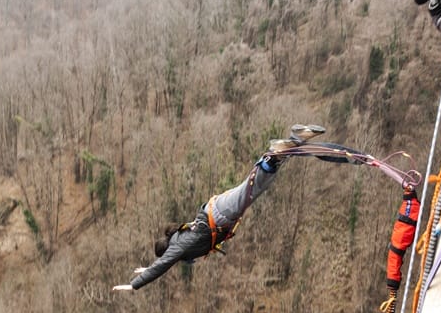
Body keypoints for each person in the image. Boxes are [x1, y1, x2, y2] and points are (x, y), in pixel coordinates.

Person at [112, 124, 326, 291]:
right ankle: (295, 141)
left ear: (168, 251)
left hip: (220, 215)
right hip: (217, 210)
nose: (171, 260)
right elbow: (165, 263)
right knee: (255, 187)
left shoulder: (180, 246)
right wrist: (148, 268)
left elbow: (163, 264)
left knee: (252, 188)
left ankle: (273, 154)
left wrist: (135, 284)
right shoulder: (178, 242)